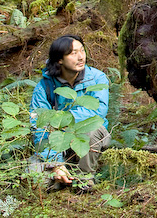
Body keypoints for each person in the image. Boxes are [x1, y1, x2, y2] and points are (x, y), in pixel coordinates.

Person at [29, 34, 110, 191]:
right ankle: (63, 174)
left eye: (82, 50)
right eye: (73, 53)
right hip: (57, 143)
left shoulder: (97, 78)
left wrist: (63, 120)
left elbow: (98, 112)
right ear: (59, 59)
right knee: (37, 182)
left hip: (90, 137)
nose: (80, 57)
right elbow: (39, 126)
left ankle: (84, 180)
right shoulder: (44, 87)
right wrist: (55, 163)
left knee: (90, 130)